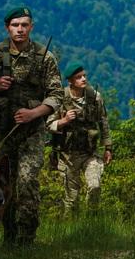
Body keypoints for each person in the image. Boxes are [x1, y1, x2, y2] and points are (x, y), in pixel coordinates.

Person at [0, 6, 63, 246]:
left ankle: (27, 239)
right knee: (3, 186)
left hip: (32, 133)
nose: (20, 29)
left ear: (31, 27)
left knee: (26, 181)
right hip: (2, 132)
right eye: (15, 25)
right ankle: (9, 237)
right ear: (7, 28)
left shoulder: (44, 57)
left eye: (24, 25)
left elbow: (56, 96)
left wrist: (34, 113)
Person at [47, 61, 112, 215]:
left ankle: (91, 220)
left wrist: (108, 148)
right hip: (67, 155)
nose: (83, 79)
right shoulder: (60, 98)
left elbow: (104, 123)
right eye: (78, 77)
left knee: (95, 186)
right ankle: (72, 231)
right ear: (70, 81)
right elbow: (48, 124)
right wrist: (64, 121)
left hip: (90, 153)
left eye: (84, 76)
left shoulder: (94, 97)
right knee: (71, 200)